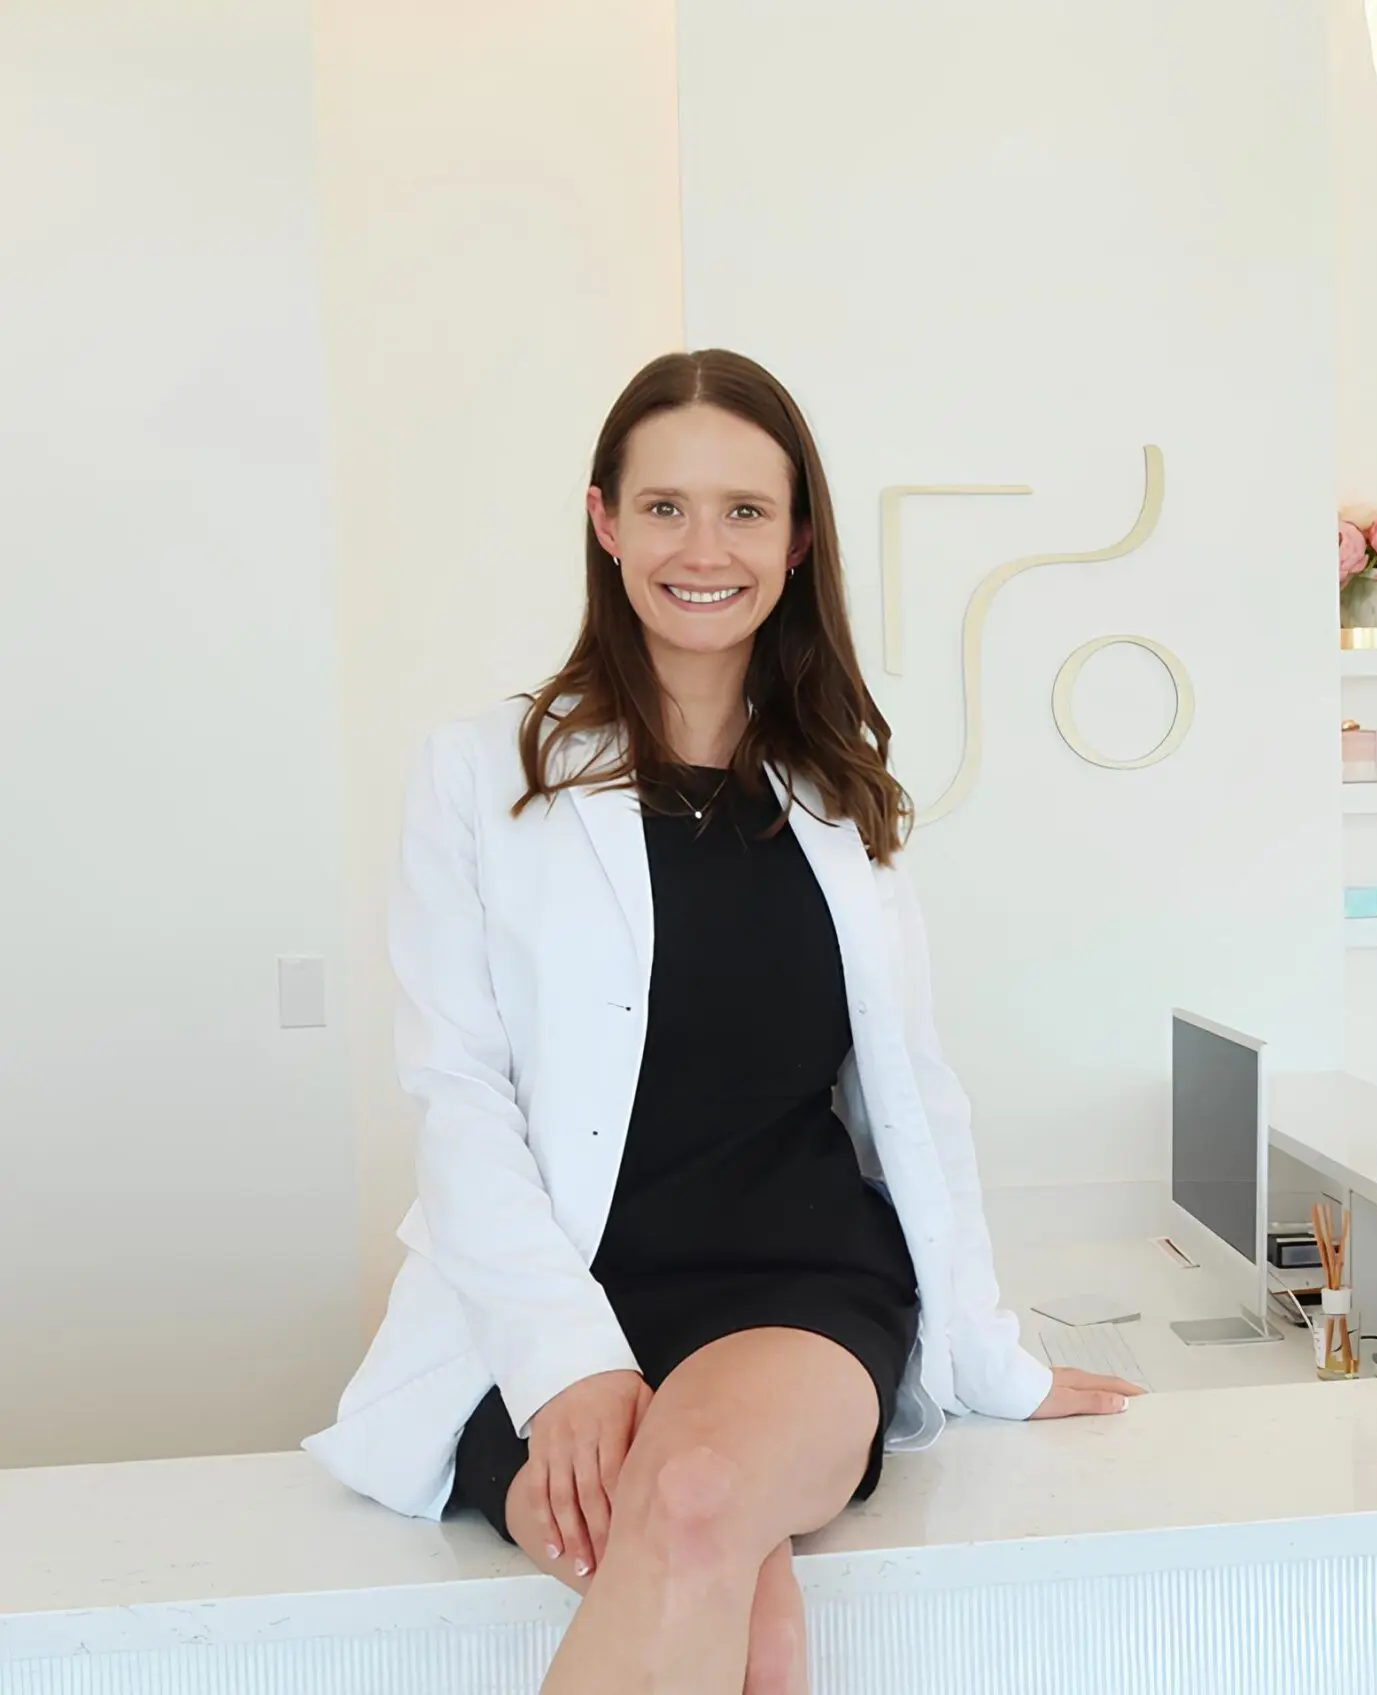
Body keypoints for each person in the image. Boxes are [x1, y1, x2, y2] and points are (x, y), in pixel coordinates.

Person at [304, 349, 1140, 1694]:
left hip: (794, 1288)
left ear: (800, 538)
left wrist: (993, 1353)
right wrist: (565, 1360)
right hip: (550, 1297)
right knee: (749, 1608)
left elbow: (914, 1098)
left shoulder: (841, 795)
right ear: (604, 523)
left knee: (692, 1496)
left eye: (748, 511)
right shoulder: (480, 776)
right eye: (666, 507)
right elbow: (457, 1094)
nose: (706, 547)